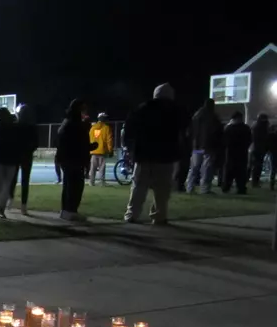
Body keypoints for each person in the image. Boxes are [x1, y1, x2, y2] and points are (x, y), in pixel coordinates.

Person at [123, 83, 183, 224]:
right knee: (162, 189)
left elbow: (129, 130)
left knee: (139, 186)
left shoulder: (142, 109)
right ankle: (159, 215)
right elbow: (182, 133)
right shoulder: (175, 111)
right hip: (165, 155)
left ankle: (132, 214)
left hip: (144, 154)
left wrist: (130, 148)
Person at [55, 99, 95, 221]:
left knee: (68, 185)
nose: (85, 112)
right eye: (83, 109)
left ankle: (66, 210)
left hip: (66, 158)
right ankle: (71, 211)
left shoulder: (66, 122)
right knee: (75, 185)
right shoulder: (74, 124)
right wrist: (91, 145)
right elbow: (78, 143)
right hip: (73, 159)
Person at [0, 107, 20, 218]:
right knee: (5, 185)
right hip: (9, 160)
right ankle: (0, 209)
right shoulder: (14, 128)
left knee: (0, 185)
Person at [187, 98, 223, 194]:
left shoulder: (196, 116)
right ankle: (205, 189)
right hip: (209, 147)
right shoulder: (213, 117)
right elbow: (218, 132)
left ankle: (190, 188)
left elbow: (191, 131)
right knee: (207, 168)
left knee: (194, 167)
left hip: (197, 147)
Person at [10, 105, 39, 214]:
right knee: (25, 181)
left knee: (13, 179)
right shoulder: (32, 127)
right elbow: (36, 144)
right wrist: (29, 150)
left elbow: (11, 142)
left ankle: (11, 200)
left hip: (16, 155)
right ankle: (23, 205)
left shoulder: (14, 127)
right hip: (27, 156)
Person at [221, 111, 252, 194]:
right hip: (242, 153)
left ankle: (226, 187)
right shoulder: (246, 128)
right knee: (241, 173)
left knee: (228, 172)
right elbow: (249, 140)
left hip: (230, 153)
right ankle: (241, 189)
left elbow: (224, 141)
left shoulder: (228, 128)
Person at [88, 112, 114, 185]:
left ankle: (91, 182)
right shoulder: (106, 128)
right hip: (102, 151)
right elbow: (109, 140)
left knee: (93, 168)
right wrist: (110, 150)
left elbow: (91, 139)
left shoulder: (93, 128)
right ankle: (102, 182)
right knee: (102, 168)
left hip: (93, 151)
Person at [250, 113, 269, 188]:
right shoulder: (261, 127)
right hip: (259, 148)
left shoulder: (256, 126)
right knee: (257, 165)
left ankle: (255, 180)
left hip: (256, 148)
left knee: (256, 165)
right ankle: (255, 181)